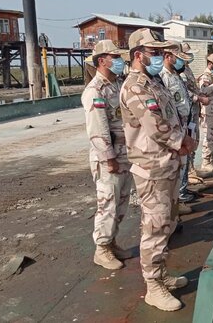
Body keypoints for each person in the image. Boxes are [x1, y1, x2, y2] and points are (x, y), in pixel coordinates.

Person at [120, 28, 196, 312]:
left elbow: (172, 114)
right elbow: (155, 124)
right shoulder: (135, 86)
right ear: (138, 55)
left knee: (166, 224)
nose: (160, 56)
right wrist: (182, 142)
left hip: (167, 164)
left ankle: (161, 275)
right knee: (154, 227)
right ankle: (153, 287)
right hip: (152, 168)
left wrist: (181, 143)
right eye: (154, 52)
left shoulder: (153, 82)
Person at [80, 40, 133, 270]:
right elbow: (98, 130)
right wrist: (109, 158)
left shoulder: (118, 85)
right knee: (108, 204)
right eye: (115, 57)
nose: (120, 61)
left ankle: (111, 242)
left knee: (121, 203)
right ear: (102, 60)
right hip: (109, 159)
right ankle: (101, 249)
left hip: (125, 156)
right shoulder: (95, 91)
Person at [159, 43, 196, 213]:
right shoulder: (163, 77)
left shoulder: (175, 75)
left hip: (184, 123)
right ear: (168, 57)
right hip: (174, 126)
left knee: (183, 162)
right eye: (178, 57)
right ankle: (177, 200)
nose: (181, 61)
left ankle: (180, 195)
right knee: (175, 166)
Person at [179, 43, 211, 179]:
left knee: (194, 138)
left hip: (193, 109)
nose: (191, 57)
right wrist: (199, 98)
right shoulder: (181, 72)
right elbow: (184, 92)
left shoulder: (187, 69)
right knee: (190, 138)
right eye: (188, 54)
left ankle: (191, 168)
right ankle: (189, 172)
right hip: (188, 110)